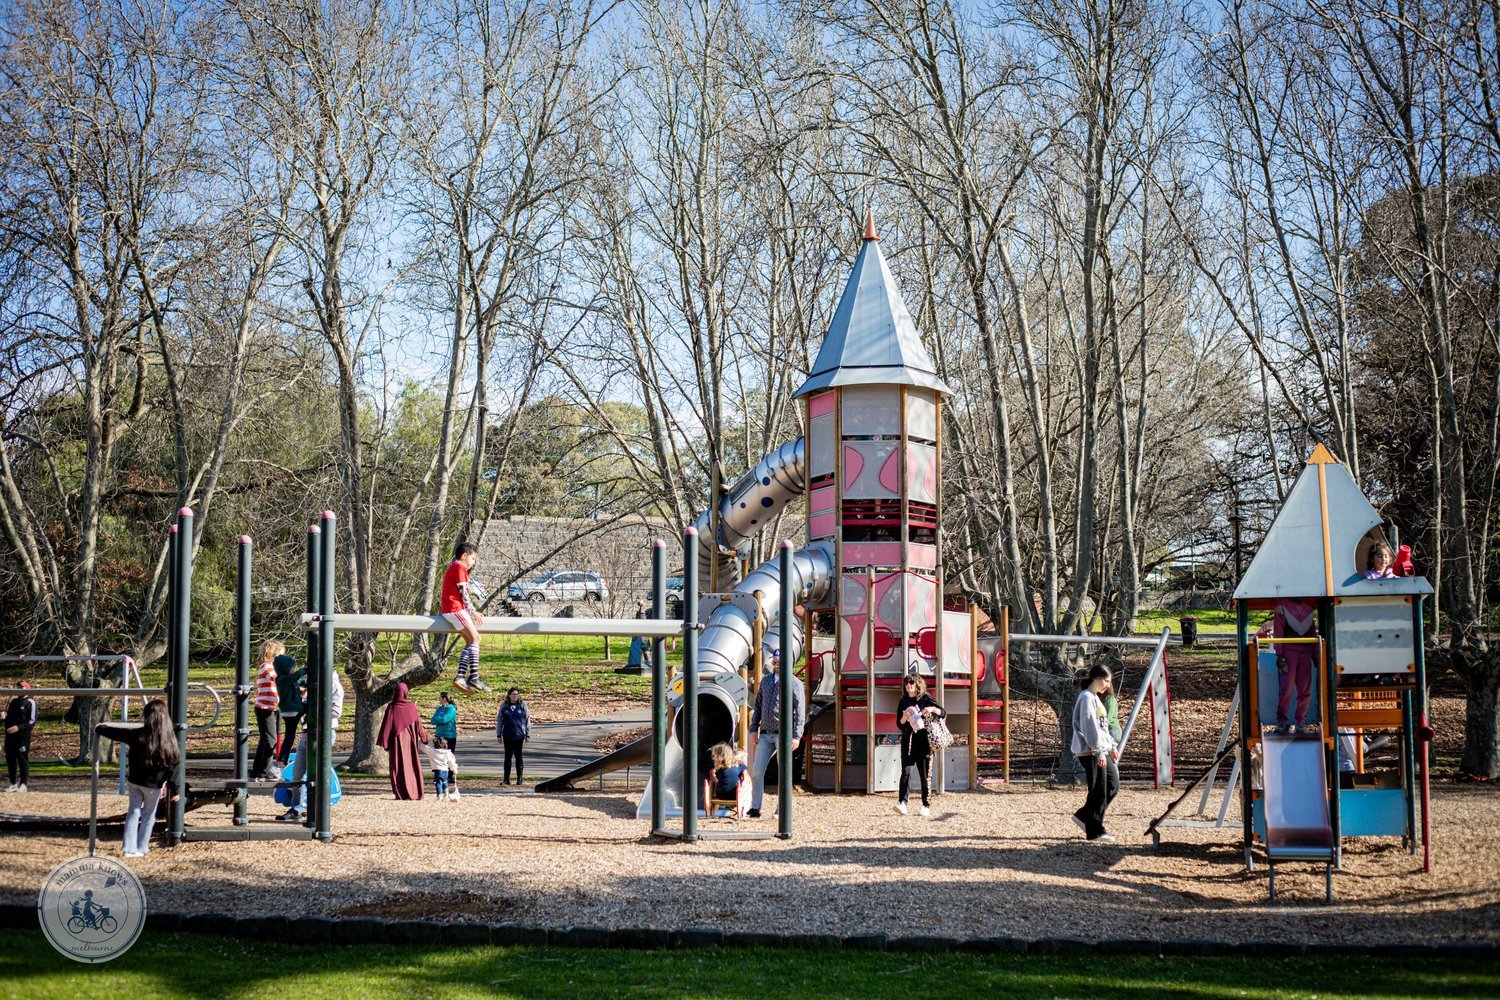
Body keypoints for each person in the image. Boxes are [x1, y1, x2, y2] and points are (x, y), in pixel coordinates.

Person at [96, 700, 181, 857]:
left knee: (134, 813)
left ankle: (129, 848)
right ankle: (142, 847)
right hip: (154, 785)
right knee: (149, 816)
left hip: (135, 782)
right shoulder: (170, 740)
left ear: (147, 717)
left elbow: (117, 733)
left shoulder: (137, 735)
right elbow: (175, 766)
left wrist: (101, 728)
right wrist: (175, 789)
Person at [280, 667, 344, 823]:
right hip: (308, 732)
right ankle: (297, 808)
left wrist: (314, 709)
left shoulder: (333, 684)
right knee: (298, 772)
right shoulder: (314, 684)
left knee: (315, 772)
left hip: (324, 732)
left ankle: (317, 808)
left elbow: (336, 711)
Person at [747, 652, 806, 819]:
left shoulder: (794, 683)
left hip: (784, 734)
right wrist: (753, 729)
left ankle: (782, 808)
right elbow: (758, 706)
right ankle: (755, 807)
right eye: (773, 662)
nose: (775, 665)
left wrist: (796, 736)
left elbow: (799, 711)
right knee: (757, 770)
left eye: (778, 662)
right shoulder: (765, 681)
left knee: (783, 772)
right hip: (765, 734)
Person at [1070, 665, 1120, 843]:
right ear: (1096, 678)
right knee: (1099, 788)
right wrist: (1099, 751)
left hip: (1100, 748)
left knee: (1112, 785)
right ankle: (1095, 830)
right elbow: (1089, 726)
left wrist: (1111, 745)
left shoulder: (1096, 699)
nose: (1107, 685)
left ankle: (1084, 816)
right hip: (1091, 751)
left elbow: (1102, 727)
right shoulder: (1086, 698)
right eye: (1106, 681)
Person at [1255, 598, 1319, 734]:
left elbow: (1313, 632)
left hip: (1305, 651)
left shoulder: (1308, 608)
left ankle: (1300, 722)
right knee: (1286, 688)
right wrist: (1280, 654)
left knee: (1305, 689)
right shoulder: (1282, 607)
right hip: (1289, 651)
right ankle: (1282, 721)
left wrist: (1316, 655)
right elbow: (1278, 629)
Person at [894, 673, 946, 817]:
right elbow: (899, 724)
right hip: (908, 741)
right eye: (906, 684)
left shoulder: (926, 698)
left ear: (918, 685)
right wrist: (904, 717)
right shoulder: (903, 701)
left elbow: (943, 712)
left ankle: (925, 804)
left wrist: (931, 709)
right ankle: (902, 803)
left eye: (911, 683)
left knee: (925, 775)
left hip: (924, 743)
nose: (908, 686)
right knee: (906, 771)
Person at [441, 541, 488, 692]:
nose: (473, 563)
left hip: (454, 609)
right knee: (476, 638)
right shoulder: (459, 567)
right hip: (455, 609)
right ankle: (473, 677)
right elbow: (463, 593)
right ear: (464, 556)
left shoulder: (457, 568)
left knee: (470, 641)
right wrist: (472, 611)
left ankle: (461, 676)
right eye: (473, 559)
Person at [378, 682, 427, 801]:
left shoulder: (392, 707)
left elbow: (387, 725)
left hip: (396, 743)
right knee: (411, 765)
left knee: (398, 766)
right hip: (410, 742)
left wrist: (385, 742)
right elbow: (418, 724)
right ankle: (415, 792)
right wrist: (424, 737)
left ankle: (401, 793)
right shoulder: (411, 707)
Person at [251, 640, 282, 781]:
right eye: (281, 656)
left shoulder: (269, 667)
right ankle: (265, 771)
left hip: (269, 708)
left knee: (265, 740)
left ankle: (257, 770)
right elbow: (276, 679)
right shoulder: (266, 667)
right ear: (273, 654)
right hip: (264, 708)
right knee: (271, 740)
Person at [273, 652, 306, 768]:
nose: (294, 669)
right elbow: (295, 677)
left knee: (290, 736)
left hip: (292, 710)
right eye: (292, 667)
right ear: (286, 668)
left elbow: (299, 681)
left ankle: (283, 759)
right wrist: (305, 669)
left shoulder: (288, 680)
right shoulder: (281, 680)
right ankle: (281, 759)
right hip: (292, 710)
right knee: (289, 737)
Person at [5, 680, 38, 792]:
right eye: (18, 687)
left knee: (22, 759)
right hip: (10, 736)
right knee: (10, 759)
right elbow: (9, 717)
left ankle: (23, 784)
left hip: (22, 736)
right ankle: (13, 783)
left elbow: (32, 721)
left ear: (27, 689)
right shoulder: (13, 702)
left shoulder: (30, 702)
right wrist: (4, 716)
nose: (19, 689)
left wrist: (18, 728)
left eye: (21, 687)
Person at [496, 688, 530, 785]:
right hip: (507, 735)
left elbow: (527, 720)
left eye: (516, 694)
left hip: (519, 735)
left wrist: (528, 734)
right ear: (509, 695)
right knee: (507, 758)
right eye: (513, 694)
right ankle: (506, 779)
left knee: (519, 757)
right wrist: (499, 734)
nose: (515, 696)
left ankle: (520, 778)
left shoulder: (522, 706)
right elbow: (499, 721)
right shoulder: (504, 706)